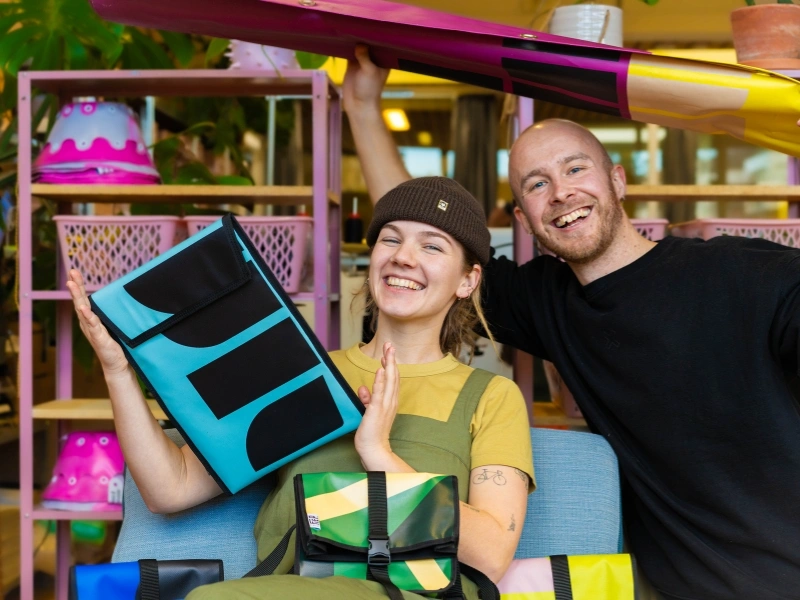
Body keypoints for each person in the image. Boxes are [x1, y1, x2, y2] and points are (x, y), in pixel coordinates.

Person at [343, 45, 800, 600]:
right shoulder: (545, 302)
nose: (561, 192)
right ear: (524, 219)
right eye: (536, 184)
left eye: (576, 168)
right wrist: (362, 108)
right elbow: (422, 236)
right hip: (681, 586)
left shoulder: (741, 272)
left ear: (618, 180)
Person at [67, 177, 534, 599]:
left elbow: (492, 554)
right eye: (390, 239)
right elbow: (170, 489)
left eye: (431, 246)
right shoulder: (302, 369)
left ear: (468, 280)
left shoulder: (490, 396)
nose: (403, 257)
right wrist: (117, 370)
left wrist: (379, 455)